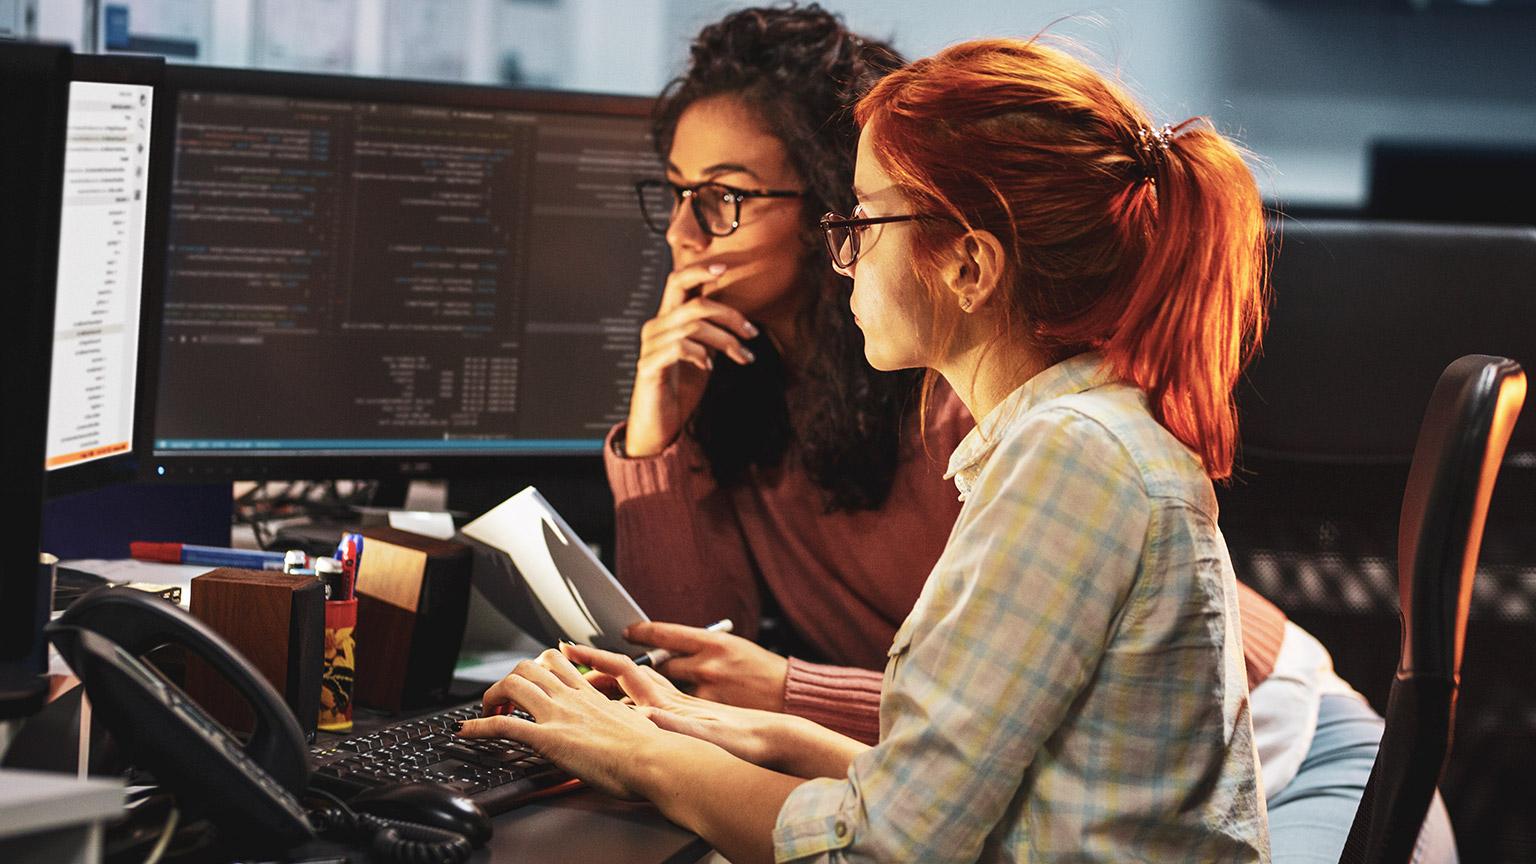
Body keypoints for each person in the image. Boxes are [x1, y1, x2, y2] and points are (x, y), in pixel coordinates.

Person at [598, 7, 1459, 863]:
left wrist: (743, 717)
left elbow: (909, 814)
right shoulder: (1015, 415)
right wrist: (657, 442)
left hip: (1300, 754)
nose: (681, 234)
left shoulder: (1034, 432)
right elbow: (941, 760)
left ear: (967, 265)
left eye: (723, 198)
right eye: (676, 194)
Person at [464, 35, 1275, 862]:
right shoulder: (1069, 434)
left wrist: (644, 754)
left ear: (968, 266)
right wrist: (756, 732)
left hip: (1298, 737)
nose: (841, 256)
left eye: (861, 220)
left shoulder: (1066, 457)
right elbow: (1010, 788)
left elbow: (884, 846)